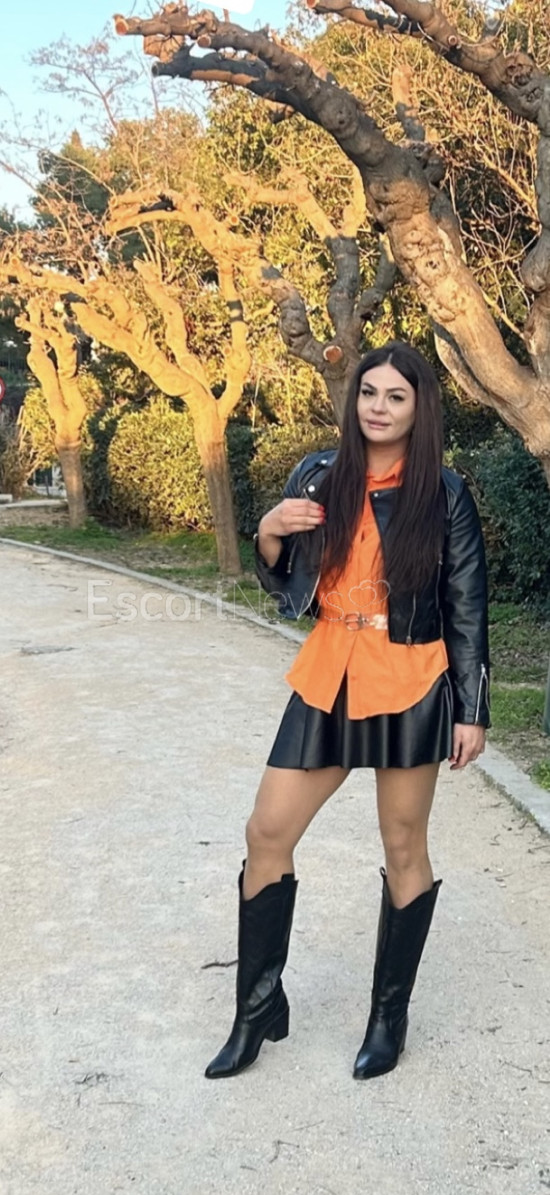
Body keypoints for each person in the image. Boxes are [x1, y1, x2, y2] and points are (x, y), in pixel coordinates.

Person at [204, 340, 490, 1082]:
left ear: (419, 408)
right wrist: (269, 531)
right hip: (329, 670)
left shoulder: (445, 493)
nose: (379, 408)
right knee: (267, 830)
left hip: (411, 676)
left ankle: (388, 1017)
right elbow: (288, 587)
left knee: (403, 845)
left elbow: (466, 605)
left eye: (396, 396)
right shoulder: (318, 475)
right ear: (353, 399)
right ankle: (257, 1008)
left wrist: (472, 709)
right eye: (369, 393)